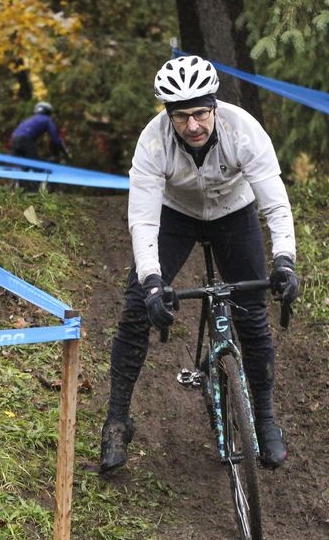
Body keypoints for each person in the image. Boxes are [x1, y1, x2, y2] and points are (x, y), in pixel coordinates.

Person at [99, 54, 299, 474]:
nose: (192, 125)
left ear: (214, 106)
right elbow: (143, 219)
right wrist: (152, 280)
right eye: (181, 116)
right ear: (168, 116)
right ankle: (117, 420)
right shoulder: (152, 143)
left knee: (253, 316)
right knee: (137, 307)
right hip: (177, 214)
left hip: (234, 211)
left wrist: (285, 260)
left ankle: (264, 419)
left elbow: (275, 203)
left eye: (200, 113)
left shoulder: (244, 130)